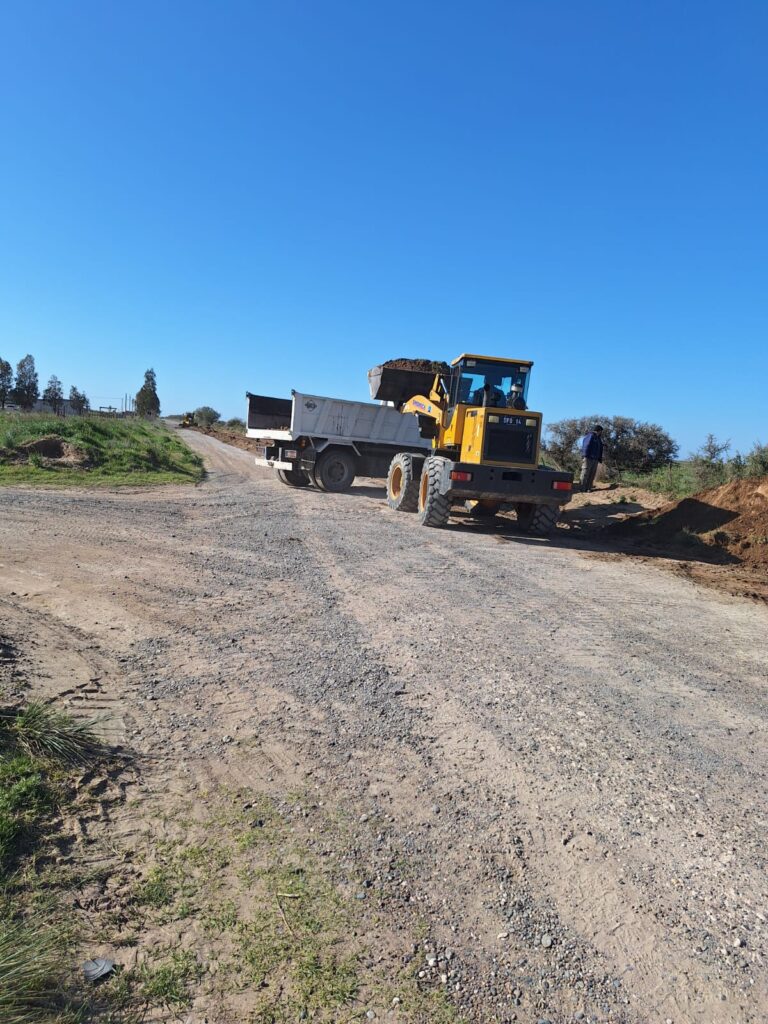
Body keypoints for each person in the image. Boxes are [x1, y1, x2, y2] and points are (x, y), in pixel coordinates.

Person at [580, 425, 604, 491]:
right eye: (601, 431)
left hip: (595, 459)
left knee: (592, 474)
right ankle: (582, 488)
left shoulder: (598, 438)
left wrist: (599, 458)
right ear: (598, 430)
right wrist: (585, 455)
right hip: (588, 458)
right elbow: (586, 445)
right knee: (585, 472)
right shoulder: (590, 436)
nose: (601, 433)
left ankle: (588, 488)